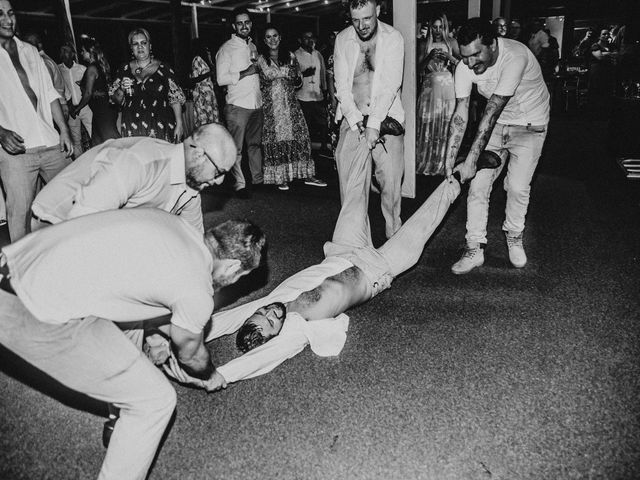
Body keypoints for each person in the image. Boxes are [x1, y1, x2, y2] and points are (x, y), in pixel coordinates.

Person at [0, 208, 265, 479]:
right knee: (156, 401)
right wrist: (209, 375)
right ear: (233, 266)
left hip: (12, 262)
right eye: (240, 276)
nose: (235, 281)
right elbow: (191, 355)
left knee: (133, 322)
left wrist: (164, 337)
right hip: (30, 308)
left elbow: (154, 306)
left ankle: (120, 413)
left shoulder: (174, 224)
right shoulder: (197, 289)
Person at [444, 18, 550, 274]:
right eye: (465, 56)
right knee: (478, 186)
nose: (470, 63)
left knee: (516, 187)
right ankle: (474, 248)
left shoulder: (515, 56)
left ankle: (514, 236)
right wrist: (449, 160)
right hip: (496, 126)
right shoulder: (465, 66)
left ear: (492, 44)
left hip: (530, 125)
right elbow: (461, 112)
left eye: (476, 54)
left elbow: (491, 110)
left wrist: (470, 160)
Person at [31, 123, 236, 232]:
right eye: (219, 173)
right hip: (56, 223)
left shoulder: (192, 188)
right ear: (198, 154)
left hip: (100, 222)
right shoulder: (141, 162)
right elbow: (81, 227)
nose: (219, 182)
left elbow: (192, 241)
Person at [0, 0, 73, 242]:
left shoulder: (30, 51)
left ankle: (74, 256)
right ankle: (22, 272)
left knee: (70, 204)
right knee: (19, 217)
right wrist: (0, 133)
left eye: (10, 13)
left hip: (50, 142)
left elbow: (50, 93)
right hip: (17, 151)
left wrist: (63, 130)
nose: (7, 19)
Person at [334, 0, 405, 239]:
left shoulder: (393, 38)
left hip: (386, 118)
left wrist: (373, 124)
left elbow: (390, 85)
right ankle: (353, 242)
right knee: (350, 188)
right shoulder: (343, 39)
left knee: (391, 186)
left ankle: (393, 237)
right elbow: (341, 87)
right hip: (352, 119)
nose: (362, 25)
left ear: (378, 10)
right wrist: (356, 121)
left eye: (367, 18)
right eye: (356, 20)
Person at [256, 25, 320, 191]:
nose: (272, 40)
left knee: (301, 136)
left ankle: (306, 174)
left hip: (291, 103)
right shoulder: (261, 59)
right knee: (276, 140)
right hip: (272, 107)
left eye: (275, 36)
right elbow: (269, 74)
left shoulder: (290, 55)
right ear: (264, 40)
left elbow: (297, 80)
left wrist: (293, 75)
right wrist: (288, 72)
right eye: (268, 37)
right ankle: (280, 177)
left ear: (280, 37)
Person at [216, 7, 263, 198]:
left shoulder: (252, 46)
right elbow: (220, 79)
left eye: (247, 22)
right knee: (236, 149)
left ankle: (258, 180)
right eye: (240, 23)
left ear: (251, 24)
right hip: (237, 105)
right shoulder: (226, 48)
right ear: (234, 26)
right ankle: (240, 185)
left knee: (255, 145)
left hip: (256, 103)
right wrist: (246, 72)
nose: (244, 26)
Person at [110, 28, 186, 143]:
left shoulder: (164, 68)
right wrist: (122, 88)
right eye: (135, 44)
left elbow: (175, 99)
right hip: (133, 129)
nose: (140, 46)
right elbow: (115, 100)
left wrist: (179, 124)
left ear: (150, 46)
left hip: (161, 127)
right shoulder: (124, 69)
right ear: (131, 48)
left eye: (143, 43)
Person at [416, 14, 460, 176]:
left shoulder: (452, 43)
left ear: (445, 27)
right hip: (429, 90)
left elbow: (463, 65)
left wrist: (450, 57)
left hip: (447, 88)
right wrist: (429, 57)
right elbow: (418, 70)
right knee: (428, 124)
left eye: (441, 27)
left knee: (446, 124)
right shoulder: (423, 44)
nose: (437, 30)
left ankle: (443, 163)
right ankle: (426, 161)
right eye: (434, 27)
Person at [73, 34, 119, 147]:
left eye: (83, 51)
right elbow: (98, 87)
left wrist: (76, 109)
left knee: (112, 144)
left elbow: (88, 93)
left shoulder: (91, 68)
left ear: (90, 51)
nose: (81, 53)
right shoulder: (99, 66)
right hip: (101, 110)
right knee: (99, 144)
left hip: (103, 112)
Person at [295, 31, 331, 166]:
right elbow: (293, 76)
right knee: (306, 126)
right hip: (303, 97)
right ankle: (305, 152)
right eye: (306, 37)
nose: (309, 40)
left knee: (323, 124)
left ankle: (323, 147)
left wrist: (325, 89)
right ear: (300, 39)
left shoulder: (317, 54)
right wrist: (304, 74)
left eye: (311, 37)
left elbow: (323, 72)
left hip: (318, 95)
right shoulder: (296, 55)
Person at [22, 32, 69, 120]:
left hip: (52, 112)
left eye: (27, 43)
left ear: (38, 45)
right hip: (56, 109)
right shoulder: (42, 61)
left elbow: (46, 92)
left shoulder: (43, 63)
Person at [58, 43, 93, 157]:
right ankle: (81, 165)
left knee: (93, 134)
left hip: (86, 108)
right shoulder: (58, 70)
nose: (64, 54)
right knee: (76, 141)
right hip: (71, 110)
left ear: (73, 54)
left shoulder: (82, 69)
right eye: (62, 51)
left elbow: (89, 90)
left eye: (66, 51)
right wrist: (69, 108)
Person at [189, 37, 220, 128]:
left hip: (208, 93)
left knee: (211, 120)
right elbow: (194, 79)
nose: (207, 49)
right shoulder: (197, 59)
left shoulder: (205, 59)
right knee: (204, 121)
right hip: (202, 93)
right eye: (204, 47)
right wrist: (209, 74)